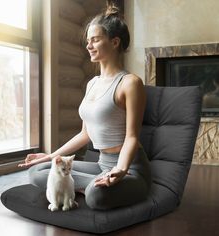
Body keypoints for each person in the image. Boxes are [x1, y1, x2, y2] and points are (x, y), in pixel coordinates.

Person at [19, 3, 151, 210]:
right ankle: (86, 186)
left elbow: (132, 136)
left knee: (96, 197)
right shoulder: (92, 83)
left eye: (95, 40)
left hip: (131, 168)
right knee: (38, 171)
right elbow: (85, 134)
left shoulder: (130, 83)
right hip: (101, 164)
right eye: (88, 40)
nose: (88, 45)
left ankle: (88, 189)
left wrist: (121, 169)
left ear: (115, 42)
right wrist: (51, 156)